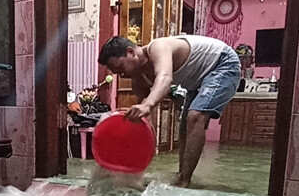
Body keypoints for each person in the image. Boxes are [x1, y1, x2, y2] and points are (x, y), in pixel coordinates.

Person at [97, 34, 240, 187]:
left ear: (130, 52)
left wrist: (148, 104)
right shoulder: (138, 80)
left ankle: (184, 180)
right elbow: (144, 122)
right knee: (186, 125)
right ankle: (182, 175)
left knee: (195, 116)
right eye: (117, 72)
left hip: (222, 64)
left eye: (120, 68)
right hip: (196, 82)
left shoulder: (158, 47)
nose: (121, 74)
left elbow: (165, 78)